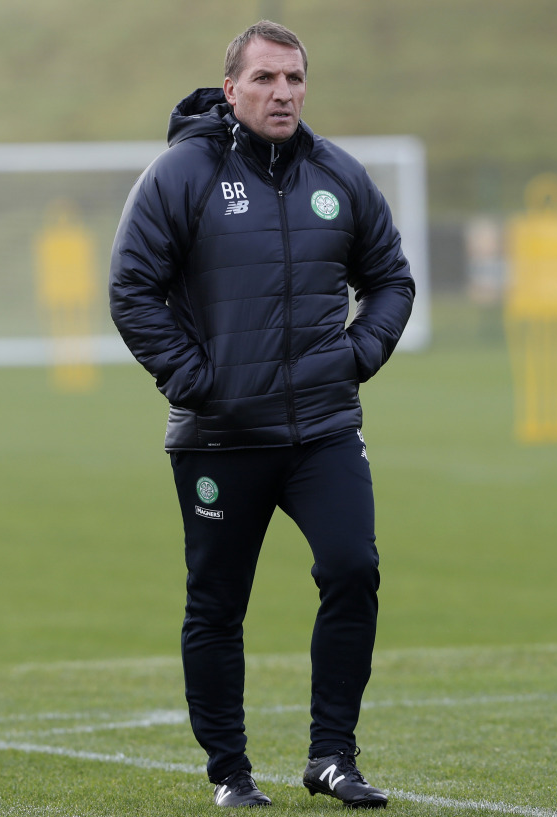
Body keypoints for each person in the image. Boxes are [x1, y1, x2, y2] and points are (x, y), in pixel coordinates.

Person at [109, 20, 414, 809]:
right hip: (219, 434)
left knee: (354, 568)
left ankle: (332, 757)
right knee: (217, 603)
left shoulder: (338, 175)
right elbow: (131, 289)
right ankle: (230, 774)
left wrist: (357, 356)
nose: (285, 93)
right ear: (233, 87)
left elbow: (392, 279)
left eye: (296, 79)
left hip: (322, 430)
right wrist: (192, 378)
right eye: (268, 79)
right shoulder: (182, 175)